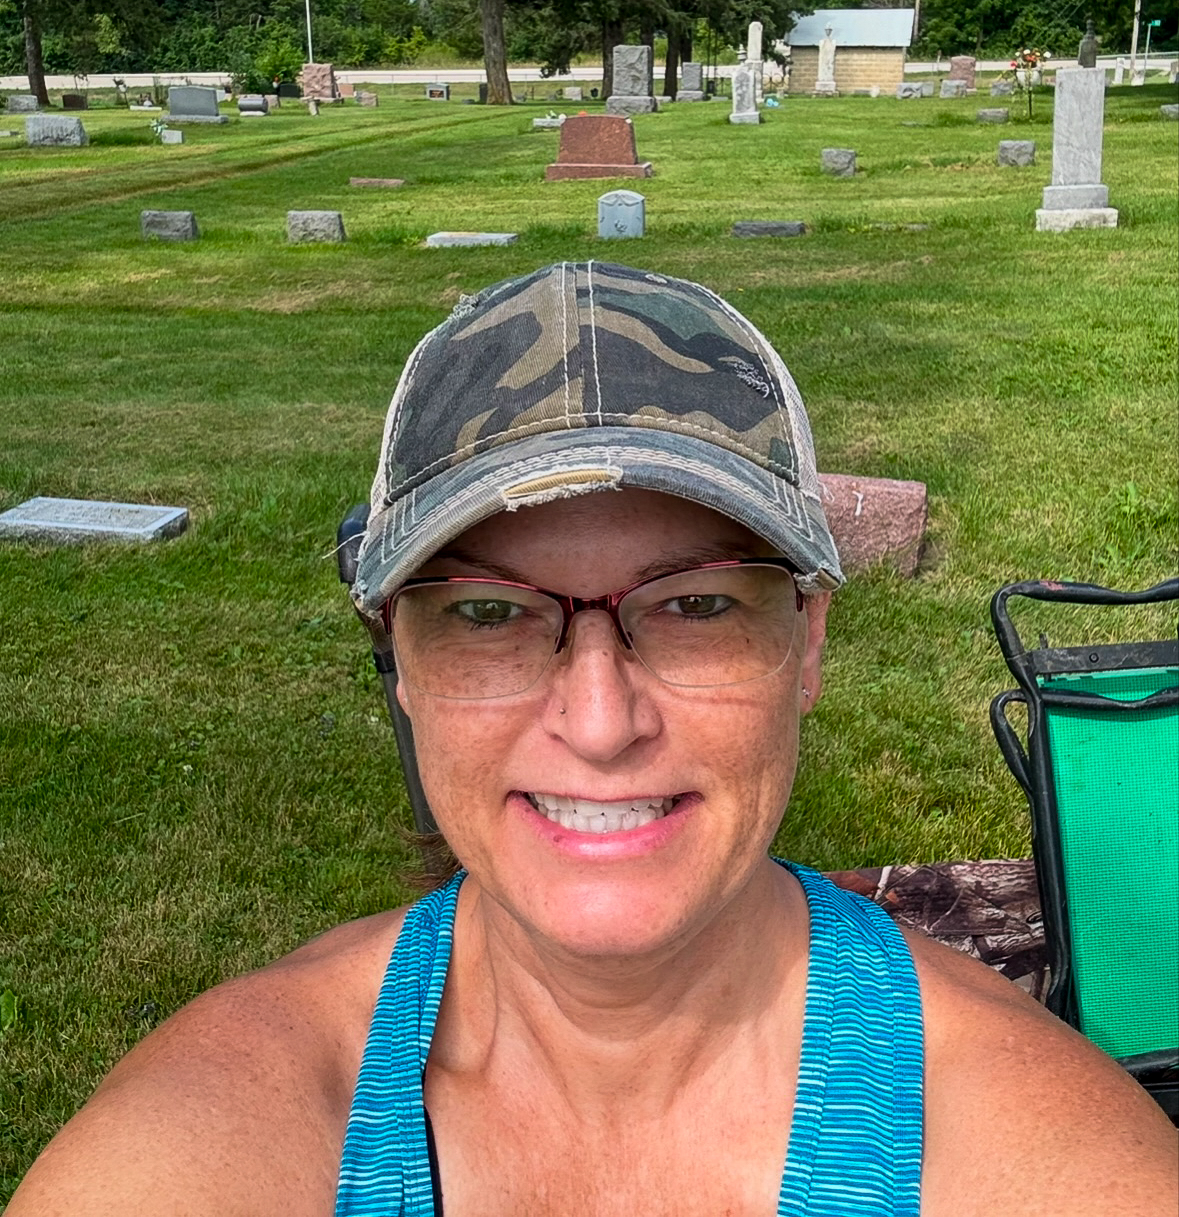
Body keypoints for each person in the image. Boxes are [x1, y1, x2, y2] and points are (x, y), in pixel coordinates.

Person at [10, 262, 1175, 1217]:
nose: (602, 721)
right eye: (487, 614)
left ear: (808, 644)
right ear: (398, 661)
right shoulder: (220, 1135)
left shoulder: (1040, 1157)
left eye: (697, 603)